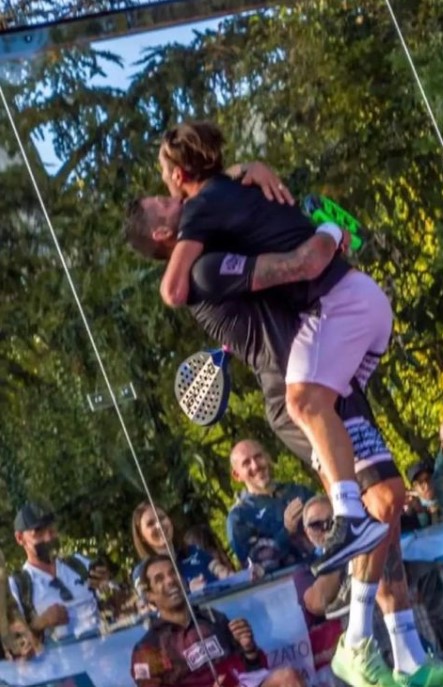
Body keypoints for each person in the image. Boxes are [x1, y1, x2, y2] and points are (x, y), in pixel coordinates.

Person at [124, 190, 443, 687]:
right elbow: (299, 263)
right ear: (164, 233)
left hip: (328, 377)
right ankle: (357, 643)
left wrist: (253, 176)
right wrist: (329, 234)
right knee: (378, 503)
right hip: (299, 395)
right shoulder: (204, 271)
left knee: (388, 517)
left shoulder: (217, 242)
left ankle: (409, 659)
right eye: (163, 203)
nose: (175, 198)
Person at [156, 120, 392, 577]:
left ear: (180, 176)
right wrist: (254, 169)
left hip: (335, 319)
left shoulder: (201, 211)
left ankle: (351, 532)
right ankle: (371, 614)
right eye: (165, 200)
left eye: (168, 186)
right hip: (332, 335)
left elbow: (171, 290)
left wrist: (323, 228)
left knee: (313, 414)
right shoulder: (226, 209)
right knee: (372, 493)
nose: (170, 195)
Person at [130, 554, 305, 687]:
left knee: (288, 679)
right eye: (159, 579)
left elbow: (254, 669)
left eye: (173, 573)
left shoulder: (213, 618)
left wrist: (249, 648)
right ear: (149, 595)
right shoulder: (147, 649)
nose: (170, 581)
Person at [8, 502, 111, 643]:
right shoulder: (18, 586)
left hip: (105, 649)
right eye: (38, 533)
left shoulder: (78, 564)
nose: (48, 538)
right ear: (20, 538)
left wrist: (106, 586)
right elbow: (12, 640)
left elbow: (113, 602)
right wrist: (40, 623)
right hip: (59, 660)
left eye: (51, 530)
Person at [227, 439, 314, 570]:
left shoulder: (297, 491)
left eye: (258, 457)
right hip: (286, 585)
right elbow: (255, 566)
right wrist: (287, 531)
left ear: (267, 458)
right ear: (237, 475)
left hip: (326, 570)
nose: (255, 466)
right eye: (246, 463)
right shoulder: (239, 516)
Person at [131, 502, 234, 594]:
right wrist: (188, 592)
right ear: (141, 537)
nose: (159, 525)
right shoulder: (142, 572)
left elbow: (214, 566)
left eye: (161, 518)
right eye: (150, 524)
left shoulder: (193, 551)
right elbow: (151, 606)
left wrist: (222, 572)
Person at [404, 461, 443, 528]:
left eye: (428, 479)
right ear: (414, 487)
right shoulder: (413, 512)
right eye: (420, 483)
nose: (427, 485)